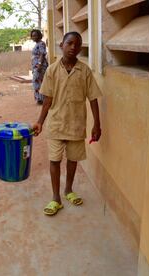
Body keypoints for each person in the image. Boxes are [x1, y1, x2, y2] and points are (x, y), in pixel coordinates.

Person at [32, 32, 102, 216]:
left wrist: (97, 124)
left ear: (80, 48)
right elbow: (47, 99)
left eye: (77, 45)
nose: (73, 47)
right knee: (54, 160)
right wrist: (40, 121)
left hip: (76, 124)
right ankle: (56, 198)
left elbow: (93, 97)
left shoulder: (84, 71)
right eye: (69, 43)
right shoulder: (52, 70)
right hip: (56, 124)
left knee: (73, 160)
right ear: (61, 45)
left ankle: (68, 190)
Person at [30, 29, 48, 105]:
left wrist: (39, 65)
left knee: (37, 82)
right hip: (36, 66)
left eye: (35, 35)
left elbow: (42, 54)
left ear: (39, 36)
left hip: (40, 66)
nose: (34, 37)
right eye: (32, 36)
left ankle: (41, 99)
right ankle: (40, 99)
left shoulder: (41, 44)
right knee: (38, 82)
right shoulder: (37, 44)